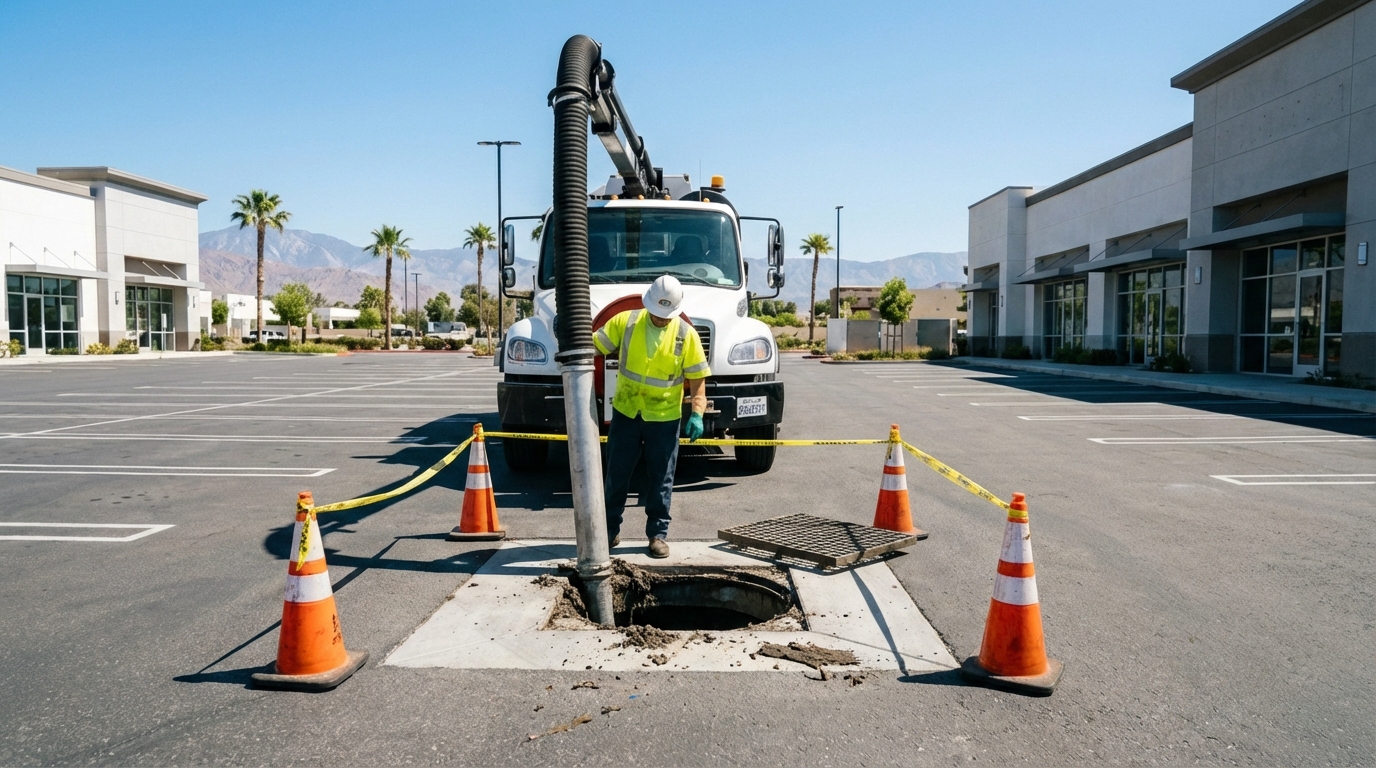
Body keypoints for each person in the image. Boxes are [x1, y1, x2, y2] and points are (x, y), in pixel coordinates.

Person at [592, 275, 710, 558]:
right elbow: (593, 346)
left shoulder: (686, 334)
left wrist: (697, 413)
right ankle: (609, 530)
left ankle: (657, 534)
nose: (661, 319)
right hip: (627, 412)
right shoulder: (626, 322)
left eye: (667, 315)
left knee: (661, 479)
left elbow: (697, 381)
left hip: (665, 418)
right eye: (658, 314)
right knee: (616, 475)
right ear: (648, 305)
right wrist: (570, 333)